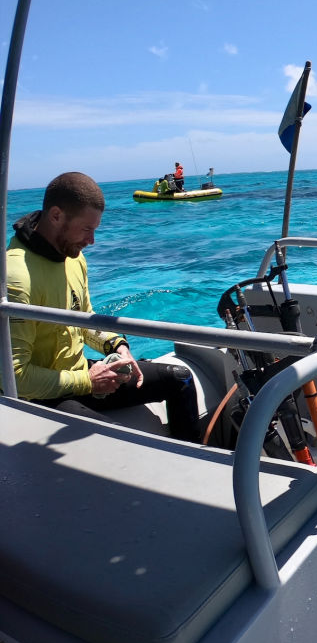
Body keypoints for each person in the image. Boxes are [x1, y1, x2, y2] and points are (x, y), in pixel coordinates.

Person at [6, 172, 200, 442]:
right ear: (56, 215)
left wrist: (117, 346)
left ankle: (190, 465)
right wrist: (87, 380)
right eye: (86, 229)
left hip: (79, 373)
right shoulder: (16, 276)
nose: (92, 240)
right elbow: (14, 378)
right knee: (123, 441)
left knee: (179, 379)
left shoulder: (73, 256)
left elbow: (84, 320)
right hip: (41, 398)